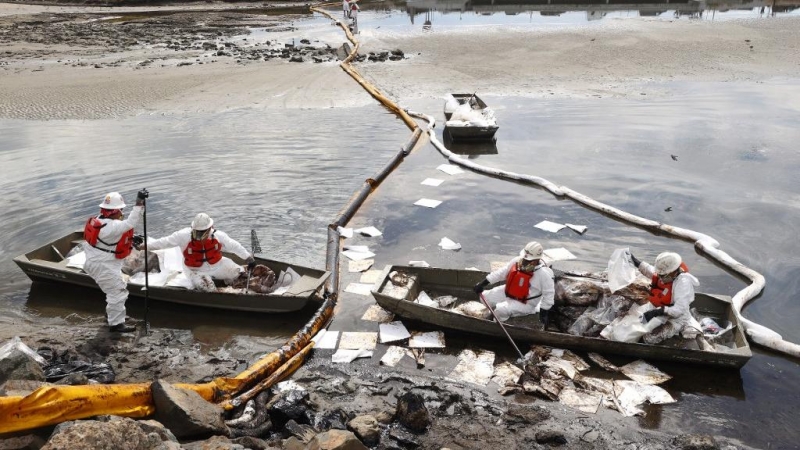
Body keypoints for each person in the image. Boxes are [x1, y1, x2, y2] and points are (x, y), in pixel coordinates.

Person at [82, 190, 147, 333]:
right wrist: (139, 202)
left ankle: (112, 314)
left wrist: (131, 238)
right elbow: (131, 221)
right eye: (121, 210)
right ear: (116, 211)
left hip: (95, 262)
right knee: (118, 292)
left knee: (114, 290)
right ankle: (116, 324)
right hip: (103, 266)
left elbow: (110, 237)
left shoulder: (98, 221)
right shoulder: (114, 227)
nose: (122, 213)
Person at [144, 213, 255, 292]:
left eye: (203, 232)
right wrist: (144, 246)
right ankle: (217, 290)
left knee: (240, 274)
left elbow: (234, 246)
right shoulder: (182, 235)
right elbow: (163, 242)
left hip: (218, 265)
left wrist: (248, 257)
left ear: (210, 228)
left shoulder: (219, 235)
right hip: (195, 270)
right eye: (198, 231)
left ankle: (228, 282)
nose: (200, 235)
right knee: (207, 288)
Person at [473, 241, 555, 325]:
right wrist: (483, 283)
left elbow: (549, 295)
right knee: (484, 298)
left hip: (526, 303)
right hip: (509, 292)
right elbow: (501, 272)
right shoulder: (517, 261)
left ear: (537, 260)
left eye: (529, 260)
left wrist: (544, 312)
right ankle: (497, 312)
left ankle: (500, 320)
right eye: (525, 259)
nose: (525, 262)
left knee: (501, 310)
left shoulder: (544, 274)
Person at [629, 251, 699, 344]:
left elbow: (679, 310)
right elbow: (651, 271)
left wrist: (659, 311)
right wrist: (636, 262)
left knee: (649, 338)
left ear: (673, 271)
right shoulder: (665, 275)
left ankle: (683, 328)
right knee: (634, 325)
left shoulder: (683, 283)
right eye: (660, 275)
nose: (660, 278)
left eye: (663, 275)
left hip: (676, 318)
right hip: (658, 309)